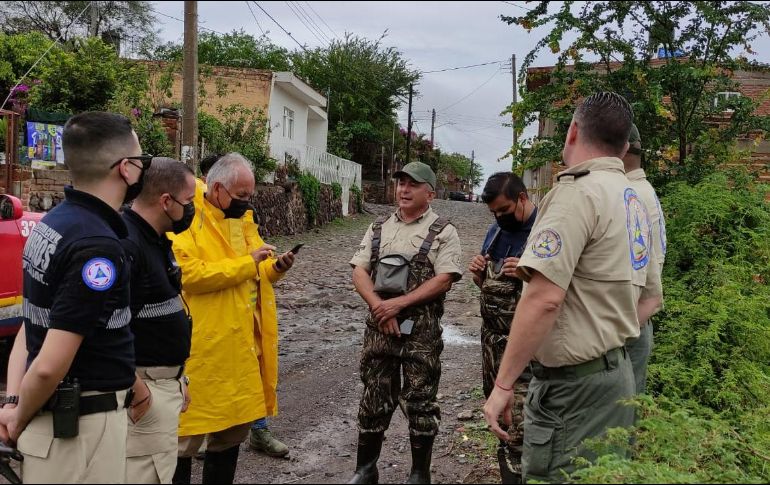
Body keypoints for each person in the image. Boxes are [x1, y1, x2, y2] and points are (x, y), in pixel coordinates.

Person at [483, 92, 662, 482]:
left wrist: (503, 384)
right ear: (625, 144)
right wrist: (605, 333)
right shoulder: (635, 198)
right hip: (616, 378)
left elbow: (544, 299)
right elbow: (651, 298)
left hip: (573, 392)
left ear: (573, 131)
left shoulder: (576, 193)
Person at [0, 111, 149, 483]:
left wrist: (14, 400)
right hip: (82, 430)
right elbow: (51, 363)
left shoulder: (54, 223)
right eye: (142, 160)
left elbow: (31, 325)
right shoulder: (97, 248)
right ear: (126, 168)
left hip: (64, 421)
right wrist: (17, 418)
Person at [169, 153, 296, 484]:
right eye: (241, 196)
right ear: (218, 188)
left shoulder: (243, 220)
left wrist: (275, 267)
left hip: (239, 346)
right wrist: (248, 263)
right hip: (203, 346)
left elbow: (257, 271)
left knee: (232, 431)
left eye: (249, 195)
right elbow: (188, 274)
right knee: (186, 435)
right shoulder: (186, 219)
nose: (246, 202)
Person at [348, 161, 463, 484]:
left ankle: (418, 473)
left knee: (421, 401)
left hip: (420, 333)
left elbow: (444, 279)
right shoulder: (379, 226)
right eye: (400, 184)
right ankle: (365, 469)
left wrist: (399, 304)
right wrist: (379, 308)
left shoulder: (444, 230)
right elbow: (359, 270)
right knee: (374, 396)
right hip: (379, 329)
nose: (404, 190)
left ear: (430, 192)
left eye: (412, 185)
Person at [122, 158, 197, 483]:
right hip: (143, 394)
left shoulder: (154, 238)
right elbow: (104, 327)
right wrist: (139, 390)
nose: (193, 209)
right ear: (166, 201)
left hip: (164, 385)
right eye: (190, 201)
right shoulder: (128, 244)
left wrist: (178, 379)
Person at [468, 172, 537, 484]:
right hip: (491, 343)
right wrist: (479, 273)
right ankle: (508, 475)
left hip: (524, 347)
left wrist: (526, 273)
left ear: (522, 198)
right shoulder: (495, 231)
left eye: (504, 210)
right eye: (494, 212)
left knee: (522, 425)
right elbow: (486, 286)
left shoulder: (543, 233)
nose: (499, 218)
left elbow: (554, 294)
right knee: (499, 418)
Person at [623, 125, 666, 395]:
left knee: (618, 421)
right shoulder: (643, 190)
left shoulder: (631, 195)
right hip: (637, 322)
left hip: (629, 325)